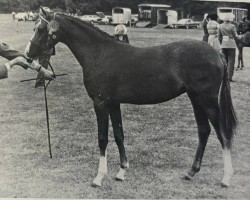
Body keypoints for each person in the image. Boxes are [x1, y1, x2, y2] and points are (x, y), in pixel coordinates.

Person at [34, 7, 56, 88]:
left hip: (46, 46)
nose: (39, 15)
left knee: (44, 63)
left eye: (41, 13)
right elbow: (37, 29)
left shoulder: (48, 22)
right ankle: (39, 81)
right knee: (43, 64)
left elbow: (52, 33)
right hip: (42, 46)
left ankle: (42, 78)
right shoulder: (41, 22)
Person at [218, 13, 242, 82]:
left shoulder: (220, 26)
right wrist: (241, 37)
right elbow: (236, 36)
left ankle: (223, 76)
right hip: (231, 45)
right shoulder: (232, 26)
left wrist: (221, 43)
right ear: (230, 20)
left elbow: (219, 37)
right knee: (231, 61)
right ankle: (229, 77)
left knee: (224, 61)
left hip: (224, 44)